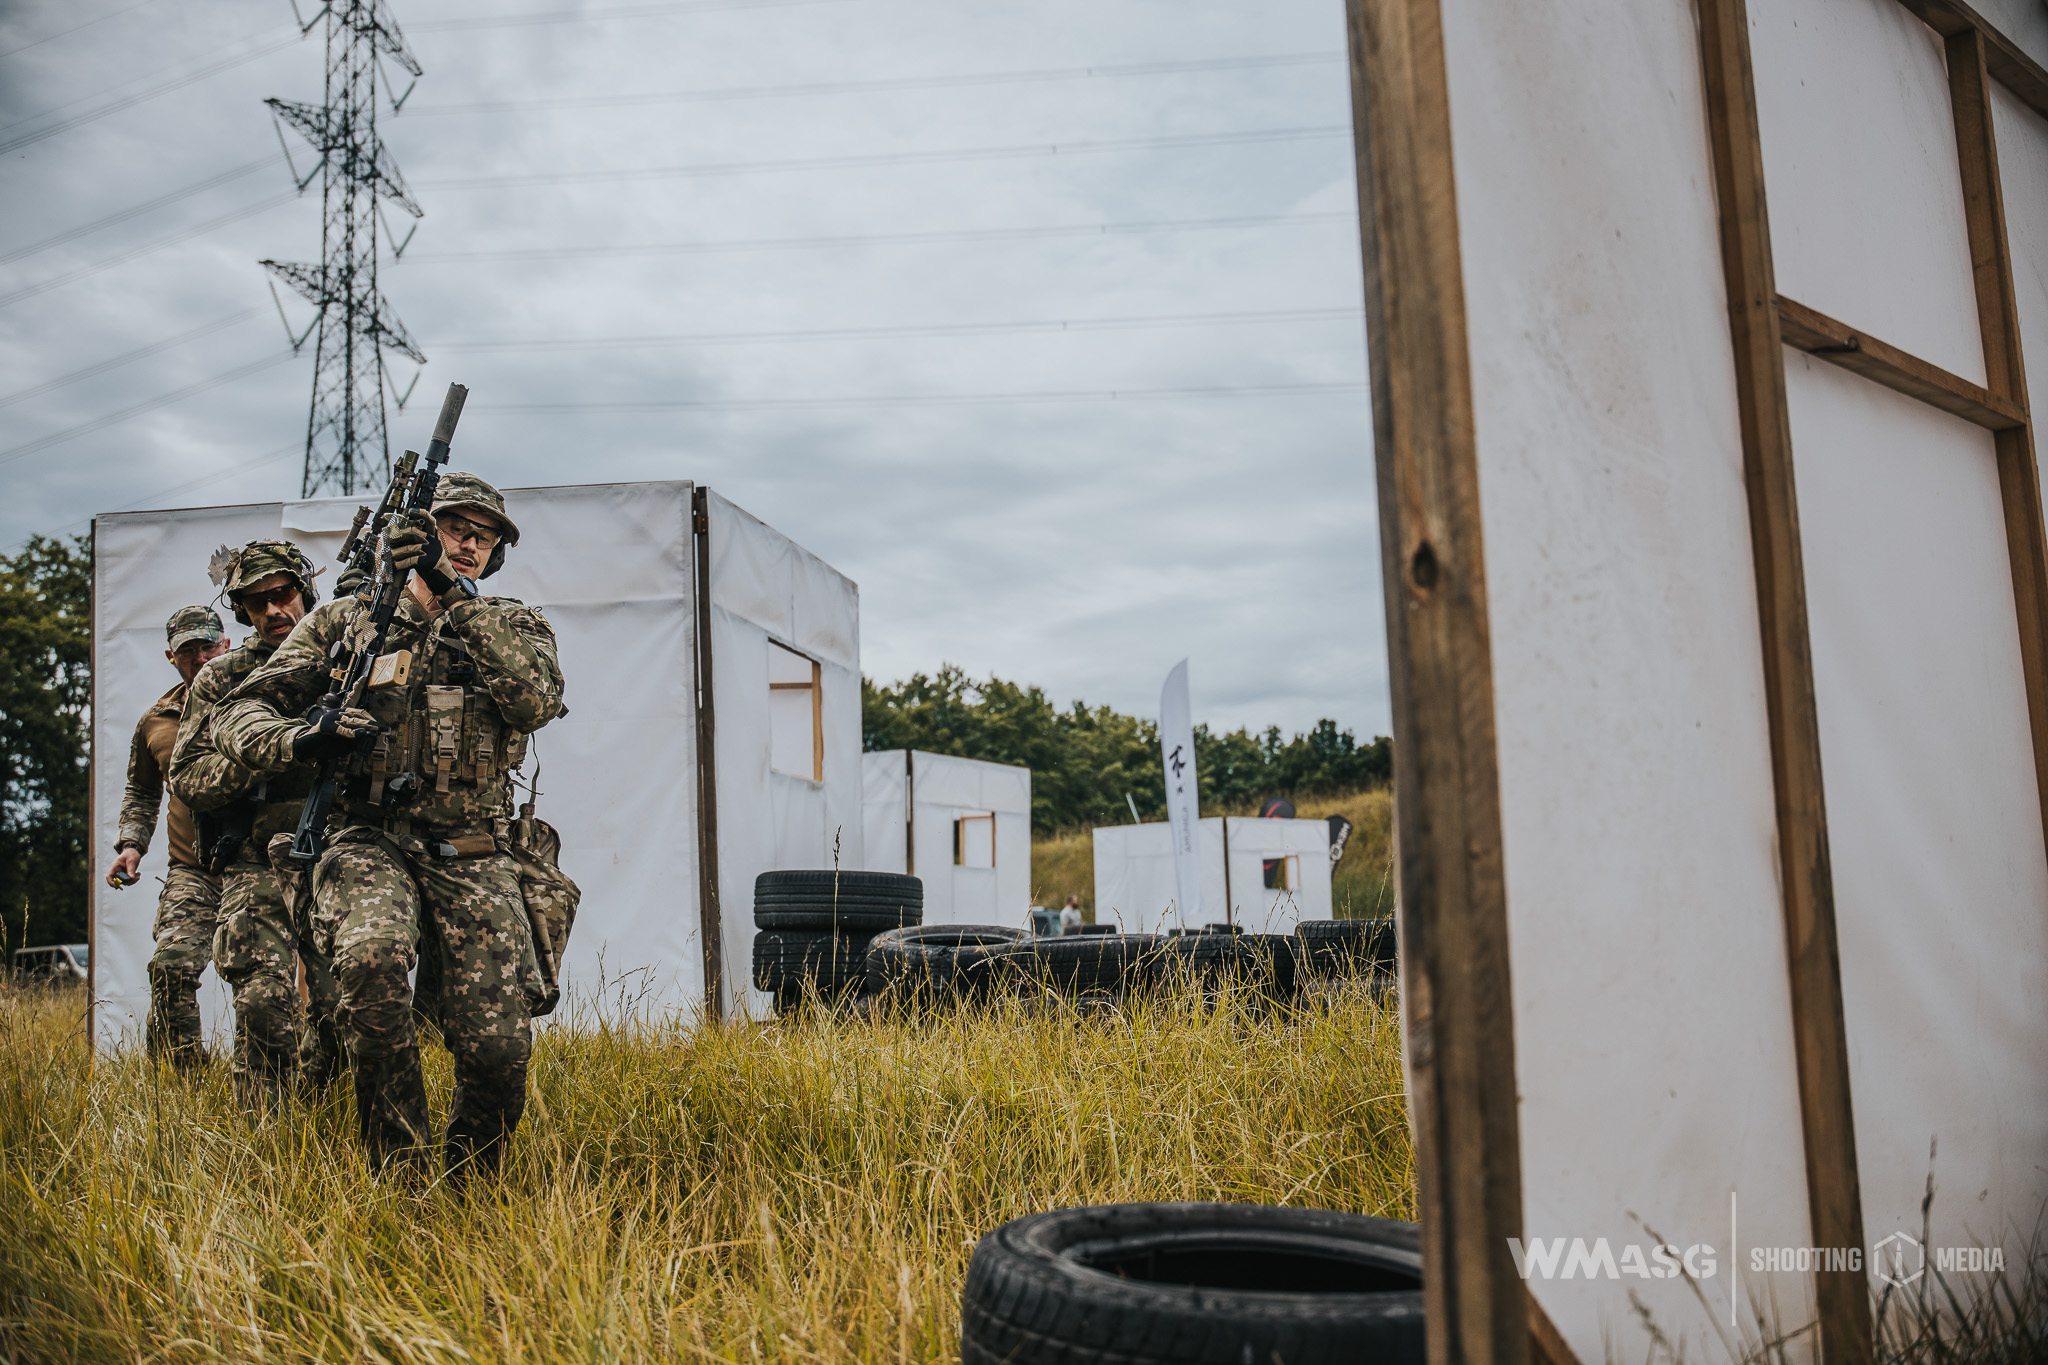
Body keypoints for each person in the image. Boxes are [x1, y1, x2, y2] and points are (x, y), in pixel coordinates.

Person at [210, 474, 565, 1180]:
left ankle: (468, 1182)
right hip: (367, 837)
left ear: (493, 551)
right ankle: (400, 1174)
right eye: (449, 527)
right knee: (370, 971)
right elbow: (236, 715)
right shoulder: (348, 620)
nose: (464, 541)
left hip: (473, 847)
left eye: (479, 533)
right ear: (414, 531)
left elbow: (536, 699)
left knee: (497, 1048)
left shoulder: (512, 623)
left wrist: (452, 598)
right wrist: (302, 740)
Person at [168, 541, 342, 1104]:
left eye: (282, 594)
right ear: (240, 610)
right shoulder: (222, 678)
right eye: (255, 602)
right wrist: (274, 750)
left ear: (305, 591)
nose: (272, 611)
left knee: (341, 1008)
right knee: (263, 1002)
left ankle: (328, 1124)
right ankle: (263, 1140)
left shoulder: (346, 654)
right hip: (254, 856)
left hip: (338, 850)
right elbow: (187, 777)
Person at [110, 604, 229, 1066]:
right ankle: (186, 1082)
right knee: (171, 967)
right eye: (188, 650)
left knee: (266, 983)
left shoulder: (264, 701)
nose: (201, 658)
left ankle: (271, 1083)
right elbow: (141, 790)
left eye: (208, 646)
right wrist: (131, 846)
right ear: (170, 656)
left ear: (227, 645)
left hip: (263, 864)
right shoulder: (157, 720)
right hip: (193, 871)